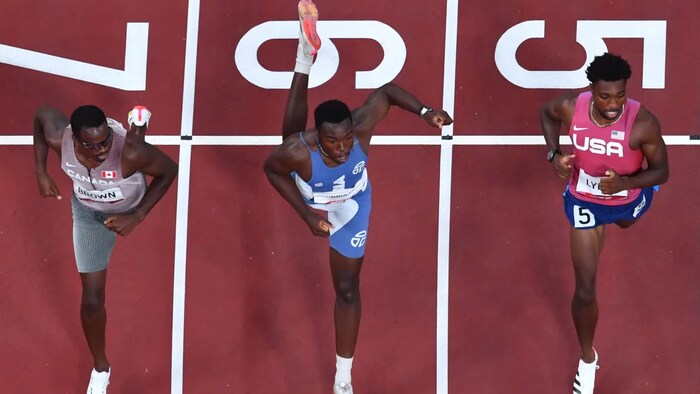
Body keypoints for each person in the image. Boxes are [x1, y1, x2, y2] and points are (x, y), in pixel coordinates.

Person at [263, 2, 453, 393]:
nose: (344, 147)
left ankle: (343, 377)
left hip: (352, 206)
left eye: (347, 138)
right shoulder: (302, 150)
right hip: (311, 193)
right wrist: (305, 214)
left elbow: (385, 92)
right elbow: (271, 170)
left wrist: (425, 111)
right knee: (287, 145)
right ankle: (304, 58)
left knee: (348, 290)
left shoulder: (359, 131)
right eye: (333, 141)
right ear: (319, 137)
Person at [540, 53, 669, 394]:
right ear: (591, 90)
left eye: (620, 96)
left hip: (627, 198)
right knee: (585, 288)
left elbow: (662, 172)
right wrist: (554, 155)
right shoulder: (571, 108)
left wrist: (625, 184)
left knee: (626, 224)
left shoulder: (644, 124)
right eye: (605, 96)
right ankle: (587, 359)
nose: (613, 104)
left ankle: (622, 216)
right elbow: (547, 114)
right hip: (584, 200)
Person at [33, 104, 178, 393]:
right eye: (92, 144)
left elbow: (168, 170)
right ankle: (101, 369)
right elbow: (42, 114)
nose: (101, 150)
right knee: (91, 301)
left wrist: (137, 216)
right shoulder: (59, 138)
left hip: (129, 204)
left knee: (136, 147)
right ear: (73, 139)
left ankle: (138, 125)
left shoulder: (127, 152)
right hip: (89, 214)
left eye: (105, 141)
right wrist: (40, 170)